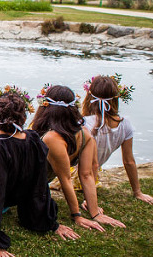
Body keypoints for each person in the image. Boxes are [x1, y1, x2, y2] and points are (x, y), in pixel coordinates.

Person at [0, 86, 80, 257]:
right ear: (24, 117)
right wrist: (48, 221)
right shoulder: (34, 140)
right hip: (11, 196)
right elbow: (39, 186)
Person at [31, 85, 126, 231]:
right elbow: (81, 176)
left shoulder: (58, 137)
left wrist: (88, 214)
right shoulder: (83, 133)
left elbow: (77, 176)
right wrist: (82, 214)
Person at [82, 74, 153, 207]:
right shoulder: (125, 124)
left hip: (80, 175)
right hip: (90, 175)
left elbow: (90, 166)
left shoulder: (85, 123)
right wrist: (137, 192)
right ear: (116, 99)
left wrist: (88, 200)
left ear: (90, 97)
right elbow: (129, 161)